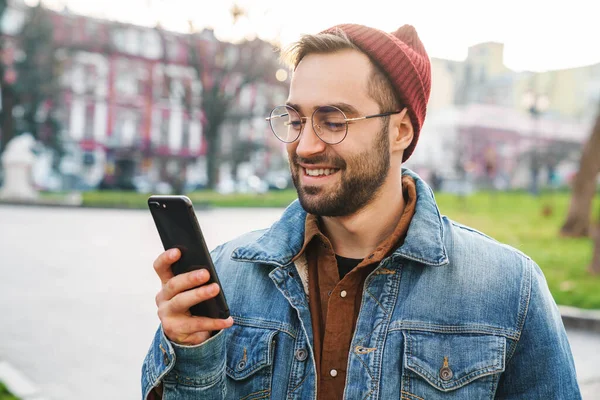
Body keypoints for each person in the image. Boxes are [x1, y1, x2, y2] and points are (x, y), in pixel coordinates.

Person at [142, 23, 581, 399]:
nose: (306, 145)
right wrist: (189, 352)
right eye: (296, 119)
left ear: (401, 130)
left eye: (334, 121)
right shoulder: (225, 277)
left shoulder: (509, 289)